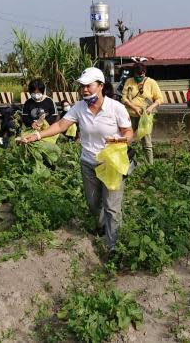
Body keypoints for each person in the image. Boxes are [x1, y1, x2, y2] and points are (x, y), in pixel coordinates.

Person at [21, 67, 133, 250]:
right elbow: (61, 124)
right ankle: (102, 226)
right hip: (89, 163)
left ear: (101, 86)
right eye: (82, 86)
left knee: (112, 206)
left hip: (111, 164)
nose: (84, 90)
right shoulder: (79, 107)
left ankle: (113, 247)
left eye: (88, 86)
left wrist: (122, 139)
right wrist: (37, 136)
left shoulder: (116, 108)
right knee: (93, 203)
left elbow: (128, 132)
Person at [121, 62, 162, 164]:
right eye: (137, 75)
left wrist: (151, 108)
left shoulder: (151, 83)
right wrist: (134, 108)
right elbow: (124, 98)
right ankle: (123, 162)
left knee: (146, 141)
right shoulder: (129, 81)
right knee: (125, 139)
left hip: (145, 117)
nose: (139, 77)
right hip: (131, 115)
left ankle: (150, 166)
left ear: (144, 73)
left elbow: (160, 99)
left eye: (141, 75)